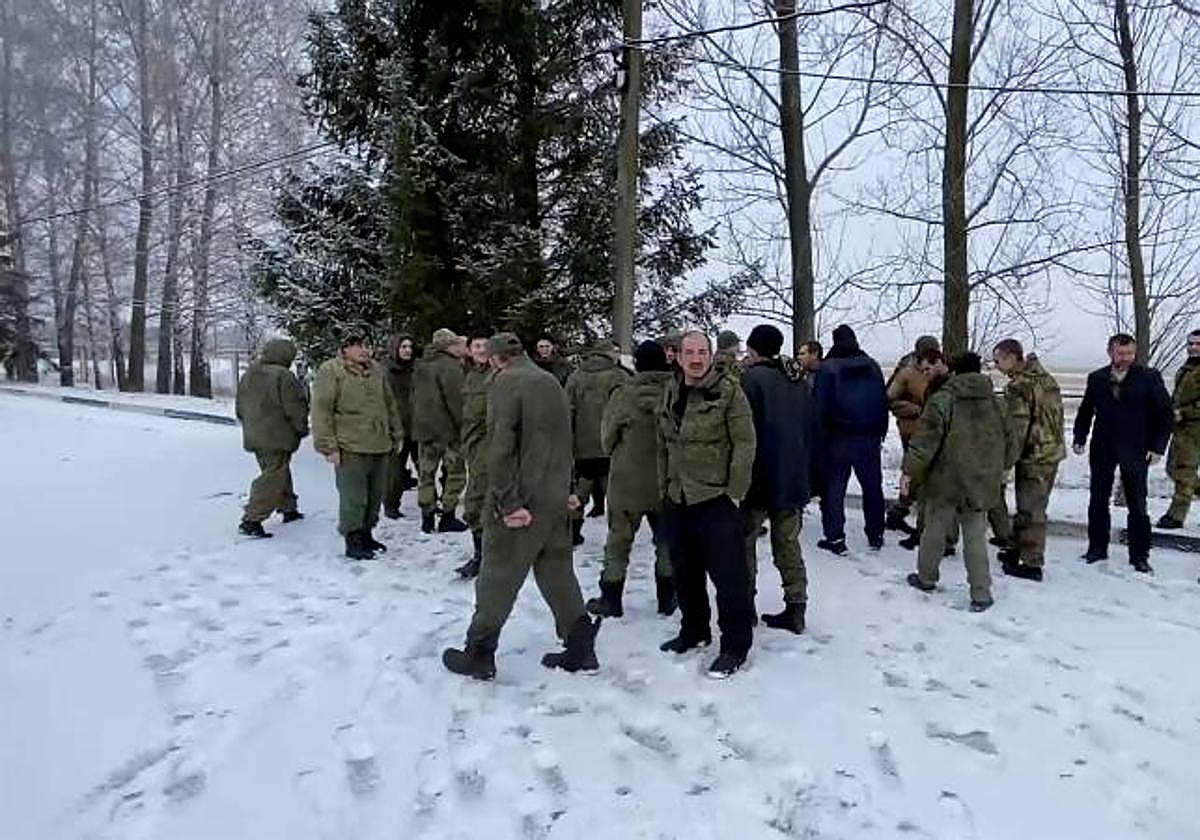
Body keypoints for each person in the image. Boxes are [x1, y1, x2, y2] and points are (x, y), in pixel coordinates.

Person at [442, 333, 601, 681]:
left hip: (521, 498)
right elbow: (564, 440)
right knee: (556, 570)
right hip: (554, 495)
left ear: (497, 359)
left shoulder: (505, 383)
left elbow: (500, 447)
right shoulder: (550, 381)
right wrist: (569, 490)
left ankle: (479, 653)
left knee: (497, 574)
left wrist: (506, 501)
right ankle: (580, 646)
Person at [658, 331, 757, 679]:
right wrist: (664, 487)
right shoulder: (671, 389)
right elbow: (663, 441)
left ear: (711, 355)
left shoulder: (729, 392)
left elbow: (745, 443)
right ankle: (694, 629)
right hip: (677, 497)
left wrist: (735, 492)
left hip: (716, 499)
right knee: (685, 573)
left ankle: (735, 645)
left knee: (729, 578)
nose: (696, 358)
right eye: (690, 352)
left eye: (702, 352)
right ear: (679, 356)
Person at [903, 353, 1016, 612]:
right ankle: (981, 593)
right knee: (976, 534)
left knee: (934, 530)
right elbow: (1012, 441)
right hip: (982, 479)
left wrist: (910, 471)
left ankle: (926, 578)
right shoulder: (998, 403)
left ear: (954, 372)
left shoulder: (943, 400)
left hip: (946, 480)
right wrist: (1001, 466)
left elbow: (924, 443)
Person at [585, 340, 676, 618]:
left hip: (627, 481)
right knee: (666, 543)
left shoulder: (624, 394)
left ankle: (611, 598)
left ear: (636, 363)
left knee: (618, 541)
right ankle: (667, 598)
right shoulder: (675, 392)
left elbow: (606, 440)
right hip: (666, 481)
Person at [1074, 334, 1173, 573]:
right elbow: (1086, 410)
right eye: (1120, 353)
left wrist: (1158, 447)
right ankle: (1097, 548)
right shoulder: (1097, 378)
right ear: (1110, 352)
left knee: (1137, 504)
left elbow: (1164, 414)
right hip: (1103, 447)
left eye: (1130, 353)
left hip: (1137, 448)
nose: (1126, 358)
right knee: (1098, 500)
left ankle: (1139, 555)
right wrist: (1080, 437)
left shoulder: (1150, 378)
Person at [740, 325, 813, 634]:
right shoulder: (799, 381)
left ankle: (745, 607)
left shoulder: (751, 380)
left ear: (754, 349)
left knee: (744, 544)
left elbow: (742, 429)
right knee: (788, 544)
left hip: (758, 474)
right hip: (793, 473)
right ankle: (796, 607)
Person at [312, 332, 403, 560]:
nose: (364, 350)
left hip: (379, 443)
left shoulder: (376, 371)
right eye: (358, 346)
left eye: (367, 345)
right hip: (350, 445)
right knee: (354, 496)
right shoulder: (331, 371)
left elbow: (389, 404)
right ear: (345, 349)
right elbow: (322, 410)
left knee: (375, 495)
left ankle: (366, 533)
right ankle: (352, 538)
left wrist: (396, 433)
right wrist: (328, 446)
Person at [992, 340, 1066, 581]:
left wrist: (1005, 462)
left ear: (1013, 357)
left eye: (999, 360)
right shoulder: (1045, 378)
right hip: (1051, 451)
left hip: (1035, 455)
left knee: (1031, 509)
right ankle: (1016, 548)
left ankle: (1032, 562)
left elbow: (1017, 430)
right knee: (1032, 506)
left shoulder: (1019, 387)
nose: (997, 366)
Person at [814, 324, 889, 555]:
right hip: (869, 436)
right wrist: (881, 430)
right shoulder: (872, 365)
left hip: (838, 437)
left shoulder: (828, 368)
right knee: (873, 487)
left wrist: (819, 437)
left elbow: (819, 406)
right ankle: (876, 534)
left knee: (834, 489)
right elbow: (882, 400)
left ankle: (835, 537)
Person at [235, 338, 310, 538]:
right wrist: (301, 428)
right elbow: (295, 407)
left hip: (254, 434)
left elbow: (239, 407)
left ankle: (288, 508)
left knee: (277, 470)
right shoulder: (284, 376)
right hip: (278, 435)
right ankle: (252, 519)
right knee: (273, 475)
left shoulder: (249, 374)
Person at [565, 338, 629, 541]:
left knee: (581, 488)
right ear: (608, 354)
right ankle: (618, 532)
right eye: (616, 351)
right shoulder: (619, 376)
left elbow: (567, 410)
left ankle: (574, 530)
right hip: (611, 443)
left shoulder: (576, 376)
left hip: (582, 445)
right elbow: (626, 410)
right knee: (614, 491)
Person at [413, 328, 469, 534]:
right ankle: (447, 516)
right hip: (448, 433)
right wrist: (464, 426)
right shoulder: (450, 367)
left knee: (425, 475)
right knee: (455, 474)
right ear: (448, 346)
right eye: (456, 344)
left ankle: (427, 518)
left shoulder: (421, 365)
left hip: (424, 431)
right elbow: (457, 401)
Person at [885, 337, 941, 535]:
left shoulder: (938, 368)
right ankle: (900, 511)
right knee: (912, 473)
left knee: (927, 477)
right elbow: (890, 399)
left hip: (934, 430)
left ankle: (908, 513)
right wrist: (915, 409)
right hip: (911, 429)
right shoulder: (906, 371)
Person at [898, 348, 951, 552]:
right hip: (932, 447)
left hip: (941, 449)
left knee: (937, 498)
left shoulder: (949, 387)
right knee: (924, 493)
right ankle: (925, 533)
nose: (925, 374)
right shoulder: (937, 385)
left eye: (928, 369)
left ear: (938, 361)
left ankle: (942, 539)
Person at [457, 334, 494, 578]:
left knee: (475, 503)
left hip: (490, 447)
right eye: (476, 346)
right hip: (472, 446)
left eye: (485, 346)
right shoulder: (471, 376)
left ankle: (483, 557)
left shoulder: (498, 376)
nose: (480, 350)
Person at [1157, 330, 1200, 529]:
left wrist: (1183, 412)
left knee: (1184, 470)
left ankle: (1176, 515)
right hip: (1181, 428)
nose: (1193, 348)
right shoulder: (1187, 368)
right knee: (1173, 468)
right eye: (1190, 344)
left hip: (1194, 428)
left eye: (1198, 344)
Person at [383, 334, 418, 519]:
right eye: (403, 347)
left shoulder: (416, 369)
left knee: (424, 468)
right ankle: (390, 504)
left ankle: (430, 504)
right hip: (396, 427)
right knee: (394, 472)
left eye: (410, 347)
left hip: (418, 425)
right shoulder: (385, 371)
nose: (407, 350)